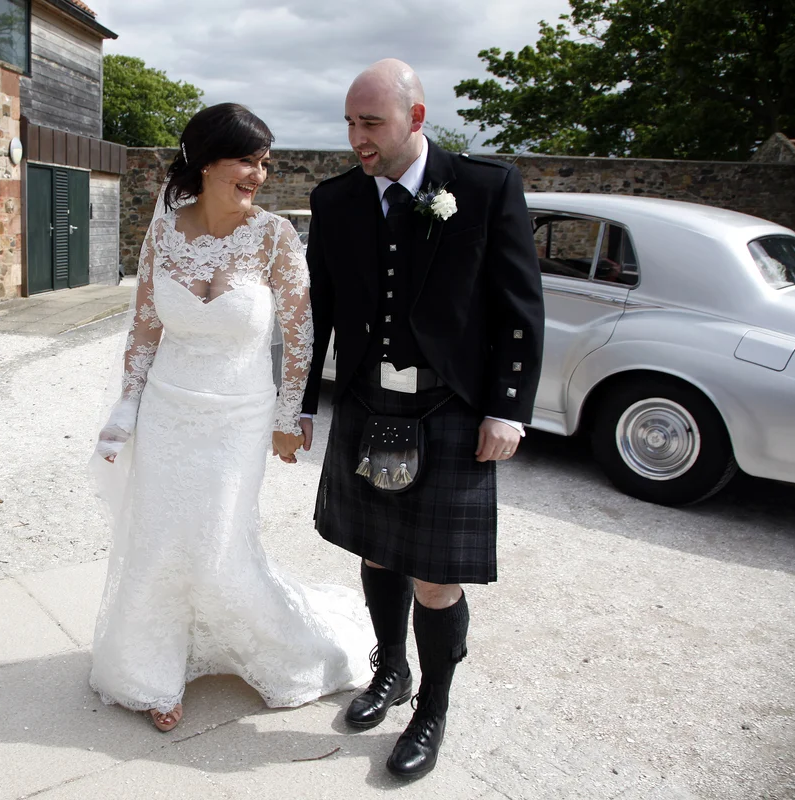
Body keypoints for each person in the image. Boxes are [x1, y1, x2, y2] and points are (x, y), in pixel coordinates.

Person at [90, 103, 372, 733]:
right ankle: (151, 671)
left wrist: (288, 413)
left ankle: (285, 651)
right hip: (168, 411)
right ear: (205, 162)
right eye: (246, 160)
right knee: (160, 540)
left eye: (264, 163)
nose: (258, 175)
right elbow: (144, 328)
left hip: (239, 417)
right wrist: (125, 409)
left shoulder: (275, 236)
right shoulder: (164, 232)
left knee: (218, 542)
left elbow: (301, 333)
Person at [299, 60, 544, 781]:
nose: (357, 138)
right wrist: (301, 403)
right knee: (377, 551)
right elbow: (317, 310)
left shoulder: (485, 186)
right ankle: (391, 672)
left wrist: (507, 408)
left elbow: (520, 306)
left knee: (437, 577)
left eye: (371, 123)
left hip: (450, 407)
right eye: (350, 122)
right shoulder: (336, 199)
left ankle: (431, 709)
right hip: (369, 403)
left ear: (415, 117)